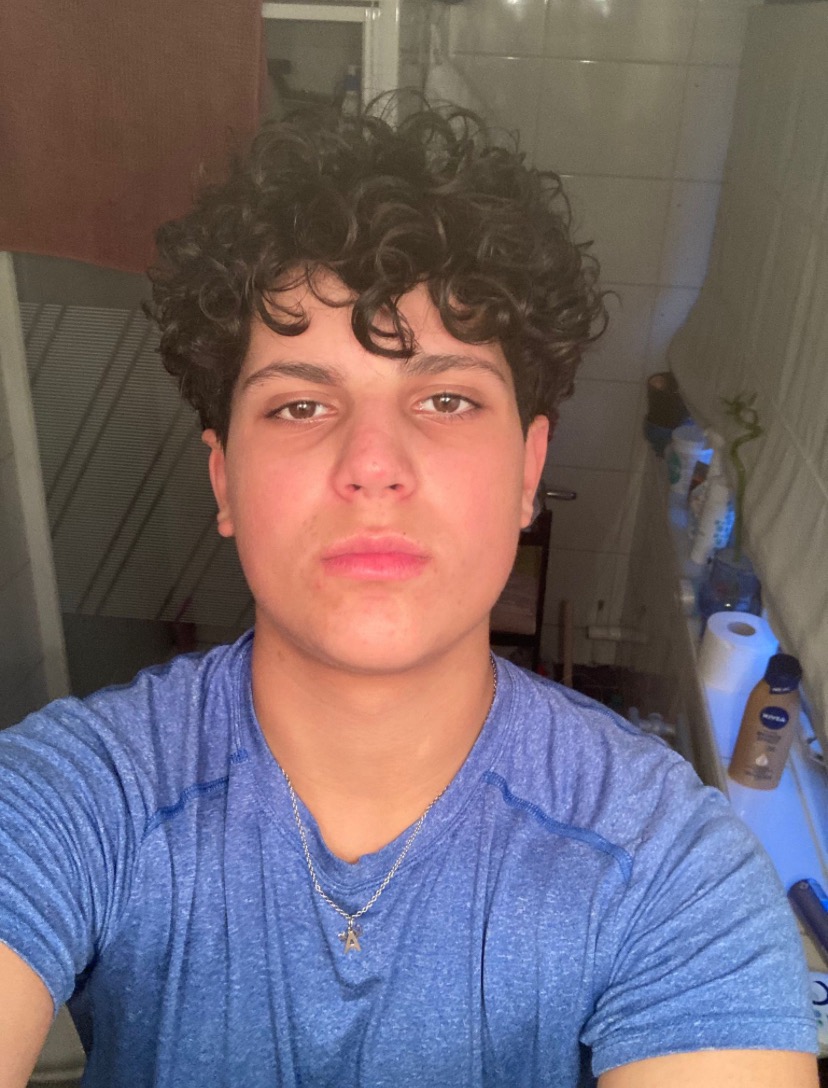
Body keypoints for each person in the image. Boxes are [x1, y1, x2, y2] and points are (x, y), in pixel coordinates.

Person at [0, 102, 818, 1088]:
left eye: (446, 398)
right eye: (301, 404)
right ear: (223, 480)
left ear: (528, 469)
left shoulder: (673, 869)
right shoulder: (77, 795)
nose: (373, 464)